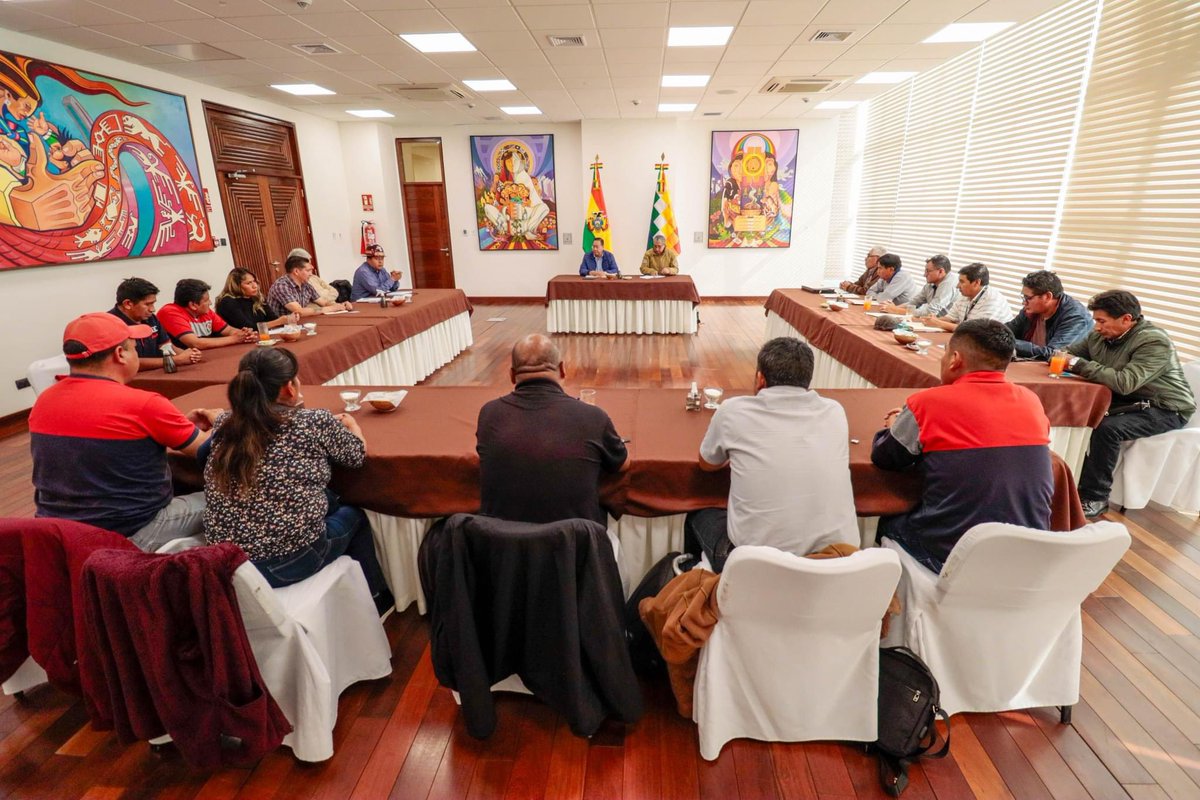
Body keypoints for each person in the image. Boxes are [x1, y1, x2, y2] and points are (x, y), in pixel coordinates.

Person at [202, 347, 392, 613]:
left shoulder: (226, 422)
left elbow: (203, 455)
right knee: (355, 516)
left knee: (325, 499)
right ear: (289, 387)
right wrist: (354, 428)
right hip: (286, 564)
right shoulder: (313, 422)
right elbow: (355, 456)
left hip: (226, 564)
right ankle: (378, 598)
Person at [872, 319, 1053, 573]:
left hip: (952, 554)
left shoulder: (927, 403)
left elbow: (885, 457)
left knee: (888, 522)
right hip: (1026, 553)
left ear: (955, 358)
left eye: (945, 352)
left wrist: (894, 426)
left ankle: (893, 600)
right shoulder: (1031, 401)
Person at [29, 312, 219, 551]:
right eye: (134, 348)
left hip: (60, 532)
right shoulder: (143, 404)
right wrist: (220, 421)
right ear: (120, 354)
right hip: (130, 530)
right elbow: (213, 450)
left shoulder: (44, 401)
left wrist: (171, 426)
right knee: (236, 494)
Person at [686, 337, 858, 573]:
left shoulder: (733, 411)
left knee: (699, 515)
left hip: (756, 568)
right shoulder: (835, 411)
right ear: (808, 379)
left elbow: (707, 464)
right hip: (837, 565)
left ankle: (700, 581)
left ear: (760, 379)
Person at [1065, 290, 1196, 518]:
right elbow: (1068, 355)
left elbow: (1125, 382)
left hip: (1165, 408)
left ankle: (1095, 497)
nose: (1096, 327)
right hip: (1129, 402)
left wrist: (1078, 364)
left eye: (1101, 321)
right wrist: (1070, 359)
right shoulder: (1100, 336)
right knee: (1077, 411)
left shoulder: (1154, 341)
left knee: (1107, 429)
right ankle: (1067, 483)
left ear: (1126, 319)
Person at [476, 334, 627, 526]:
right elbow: (622, 464)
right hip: (575, 550)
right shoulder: (593, 417)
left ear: (512, 375)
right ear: (562, 370)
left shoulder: (489, 414)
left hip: (502, 550)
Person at [108, 277, 201, 371]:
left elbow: (166, 346)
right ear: (128, 304)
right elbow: (127, 362)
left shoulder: (150, 318)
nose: (152, 309)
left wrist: (189, 355)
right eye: (147, 304)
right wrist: (176, 360)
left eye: (153, 304)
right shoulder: (109, 324)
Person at [1006, 270, 1090, 361]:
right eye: (1023, 297)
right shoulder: (1032, 309)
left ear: (1047, 297)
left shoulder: (1075, 317)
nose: (1024, 302)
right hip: (1031, 363)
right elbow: (1008, 330)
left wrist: (1007, 343)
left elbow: (1055, 354)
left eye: (1028, 298)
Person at [157, 278, 257, 350]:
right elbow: (195, 343)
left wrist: (244, 334)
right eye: (207, 300)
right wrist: (235, 339)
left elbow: (229, 330)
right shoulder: (170, 312)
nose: (210, 303)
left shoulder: (204, 311)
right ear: (193, 305)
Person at [921, 262, 1012, 332]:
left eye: (962, 282)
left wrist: (938, 323)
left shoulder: (992, 299)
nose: (957, 286)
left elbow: (974, 331)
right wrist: (931, 320)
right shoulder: (965, 295)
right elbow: (951, 319)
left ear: (976, 283)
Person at [266, 252, 352, 317]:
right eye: (308, 271)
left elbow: (324, 303)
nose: (311, 274)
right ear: (296, 271)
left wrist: (340, 305)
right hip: (281, 328)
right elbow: (299, 311)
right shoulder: (281, 286)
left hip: (300, 323)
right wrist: (330, 309)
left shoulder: (305, 284)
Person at [215, 267, 295, 331]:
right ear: (236, 285)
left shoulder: (257, 297)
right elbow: (248, 328)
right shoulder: (227, 302)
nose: (255, 286)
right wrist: (278, 322)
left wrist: (288, 319)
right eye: (249, 283)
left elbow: (272, 318)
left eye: (254, 281)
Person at [881, 254, 958, 317]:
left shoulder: (949, 284)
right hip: (931, 323)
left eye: (928, 271)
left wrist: (896, 310)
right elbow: (914, 302)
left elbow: (930, 313)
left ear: (941, 271)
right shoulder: (931, 283)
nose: (924, 275)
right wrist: (892, 308)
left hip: (945, 328)